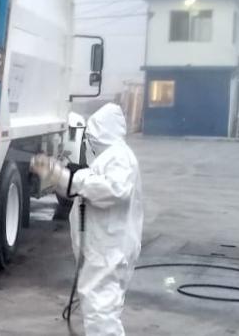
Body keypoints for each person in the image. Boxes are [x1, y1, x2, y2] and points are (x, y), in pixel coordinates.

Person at [30, 103, 143, 336]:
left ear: (104, 130)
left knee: (101, 313)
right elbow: (88, 187)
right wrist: (60, 175)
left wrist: (69, 177)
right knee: (100, 309)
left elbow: (113, 190)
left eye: (93, 133)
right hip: (104, 249)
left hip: (109, 250)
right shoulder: (112, 157)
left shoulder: (119, 157)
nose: (89, 140)